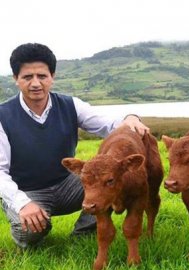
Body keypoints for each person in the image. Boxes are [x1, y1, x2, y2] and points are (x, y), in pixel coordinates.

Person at [0, 43, 149, 248]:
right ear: (16, 79)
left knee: (111, 183)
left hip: (68, 183)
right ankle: (31, 225)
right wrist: (23, 203)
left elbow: (108, 123)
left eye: (42, 76)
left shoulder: (70, 105)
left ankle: (83, 232)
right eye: (27, 77)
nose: (36, 83)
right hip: (28, 190)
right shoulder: (3, 116)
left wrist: (130, 117)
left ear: (52, 77)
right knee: (29, 233)